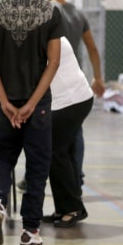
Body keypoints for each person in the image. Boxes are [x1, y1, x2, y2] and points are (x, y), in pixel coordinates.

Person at [0, 0, 63, 245]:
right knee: (38, 165)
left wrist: (5, 102)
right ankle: (30, 231)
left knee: (3, 157)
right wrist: (32, 102)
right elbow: (53, 62)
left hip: (4, 101)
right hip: (38, 104)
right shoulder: (51, 13)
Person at [18, 0, 107, 193]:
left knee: (47, 133)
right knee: (74, 131)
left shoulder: (50, 12)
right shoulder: (78, 13)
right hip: (74, 78)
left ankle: (38, 178)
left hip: (55, 79)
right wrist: (98, 77)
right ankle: (76, 176)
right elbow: (92, 47)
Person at [43, 37, 94, 227]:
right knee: (62, 152)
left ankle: (71, 209)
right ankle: (67, 208)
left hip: (71, 101)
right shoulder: (50, 34)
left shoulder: (50, 38)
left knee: (55, 152)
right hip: (73, 99)